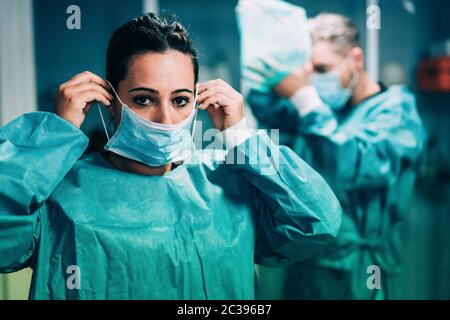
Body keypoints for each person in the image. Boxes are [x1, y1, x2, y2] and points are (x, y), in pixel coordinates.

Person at [0, 13, 341, 300]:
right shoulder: (58, 194)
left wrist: (241, 136)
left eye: (180, 100)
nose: (165, 119)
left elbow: (316, 224)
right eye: (143, 100)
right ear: (109, 98)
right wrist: (54, 135)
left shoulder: (227, 186)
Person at [246, 13, 427, 299]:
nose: (313, 81)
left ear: (356, 59)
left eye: (321, 68)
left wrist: (306, 99)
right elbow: (270, 110)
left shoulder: (395, 109)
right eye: (307, 72)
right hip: (308, 262)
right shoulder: (322, 113)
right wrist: (270, 72)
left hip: (362, 271)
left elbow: (353, 163)